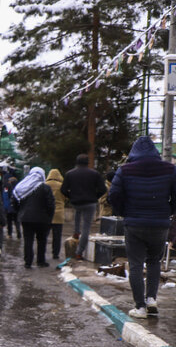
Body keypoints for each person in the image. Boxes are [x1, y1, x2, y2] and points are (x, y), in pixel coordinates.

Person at [108, 136, 176, 318]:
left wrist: (123, 212)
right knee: (154, 261)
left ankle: (140, 307)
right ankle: (151, 299)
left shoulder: (125, 170)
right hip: (160, 224)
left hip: (134, 223)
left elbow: (113, 195)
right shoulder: (170, 169)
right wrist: (168, 211)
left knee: (136, 264)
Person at [61, 153, 106, 261]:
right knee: (86, 227)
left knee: (77, 216)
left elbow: (63, 190)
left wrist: (71, 197)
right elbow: (103, 189)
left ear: (77, 162)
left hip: (76, 202)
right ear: (88, 163)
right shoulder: (94, 174)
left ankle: (76, 233)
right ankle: (79, 252)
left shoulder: (70, 174)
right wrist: (95, 197)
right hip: (90, 203)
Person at [12, 167, 55, 269]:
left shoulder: (23, 186)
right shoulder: (45, 188)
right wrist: (49, 217)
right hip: (42, 219)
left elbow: (14, 201)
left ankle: (28, 262)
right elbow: (50, 204)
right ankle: (41, 261)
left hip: (26, 218)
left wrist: (20, 212)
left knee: (28, 240)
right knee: (41, 240)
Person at [45, 169, 66, 259]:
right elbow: (66, 197)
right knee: (57, 236)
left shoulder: (45, 185)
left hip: (46, 213)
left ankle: (42, 252)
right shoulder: (62, 186)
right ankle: (55, 253)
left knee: (44, 235)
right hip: (59, 213)